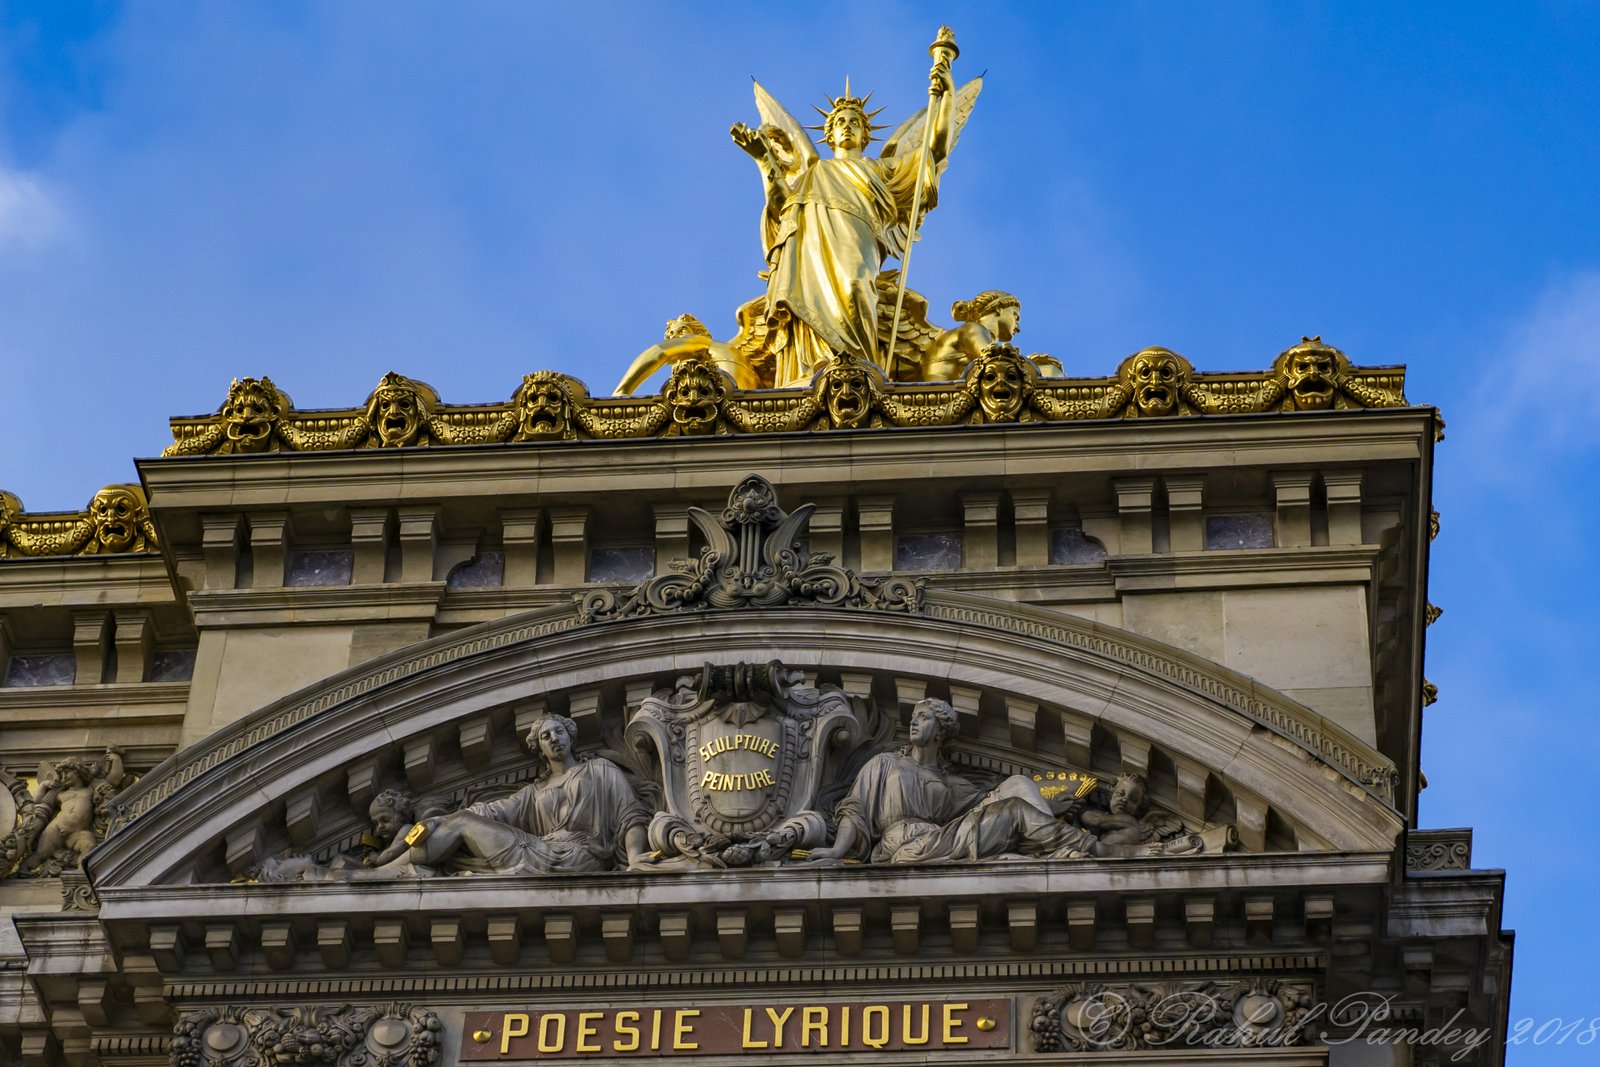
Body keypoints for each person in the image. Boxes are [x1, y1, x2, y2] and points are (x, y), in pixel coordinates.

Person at [732, 59, 955, 386]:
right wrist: (763, 159)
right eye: (841, 122)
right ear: (830, 133)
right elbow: (780, 209)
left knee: (855, 287)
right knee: (807, 307)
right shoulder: (813, 173)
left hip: (858, 241)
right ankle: (813, 373)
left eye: (854, 122)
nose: (847, 126)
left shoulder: (882, 170)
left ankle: (859, 373)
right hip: (809, 250)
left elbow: (933, 153)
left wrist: (946, 96)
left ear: (866, 135)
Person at [803, 699, 1099, 865]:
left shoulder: (951, 784)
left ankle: (1056, 852)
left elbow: (990, 803)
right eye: (914, 717)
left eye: (923, 717)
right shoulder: (885, 763)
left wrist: (1042, 801)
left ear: (939, 731)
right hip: (905, 846)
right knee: (1013, 815)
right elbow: (854, 811)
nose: (914, 722)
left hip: (941, 840)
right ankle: (1092, 848)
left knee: (1017, 788)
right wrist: (836, 851)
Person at [372, 714, 650, 875]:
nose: (554, 738)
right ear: (540, 749)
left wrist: (636, 858)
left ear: (570, 736)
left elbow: (631, 817)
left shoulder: (599, 770)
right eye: (546, 736)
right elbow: (493, 812)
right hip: (541, 850)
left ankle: (381, 873)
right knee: (462, 819)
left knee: (459, 822)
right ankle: (387, 872)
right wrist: (439, 820)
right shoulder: (534, 792)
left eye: (559, 731)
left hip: (580, 856)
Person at [920, 291, 1022, 381]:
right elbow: (991, 359)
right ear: (999, 309)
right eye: (1015, 316)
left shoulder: (976, 331)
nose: (1018, 328)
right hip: (940, 394)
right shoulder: (973, 328)